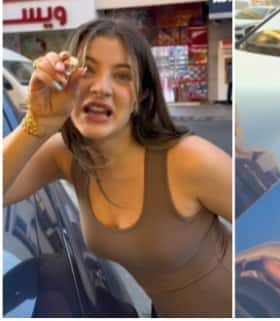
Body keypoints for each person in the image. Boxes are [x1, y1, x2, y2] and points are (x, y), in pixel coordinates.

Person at [3, 18, 232, 317]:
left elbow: (271, 224)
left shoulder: (189, 159)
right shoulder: (65, 154)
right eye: (87, 70)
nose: (102, 88)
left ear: (141, 97)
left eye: (122, 76)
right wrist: (37, 124)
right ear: (66, 78)